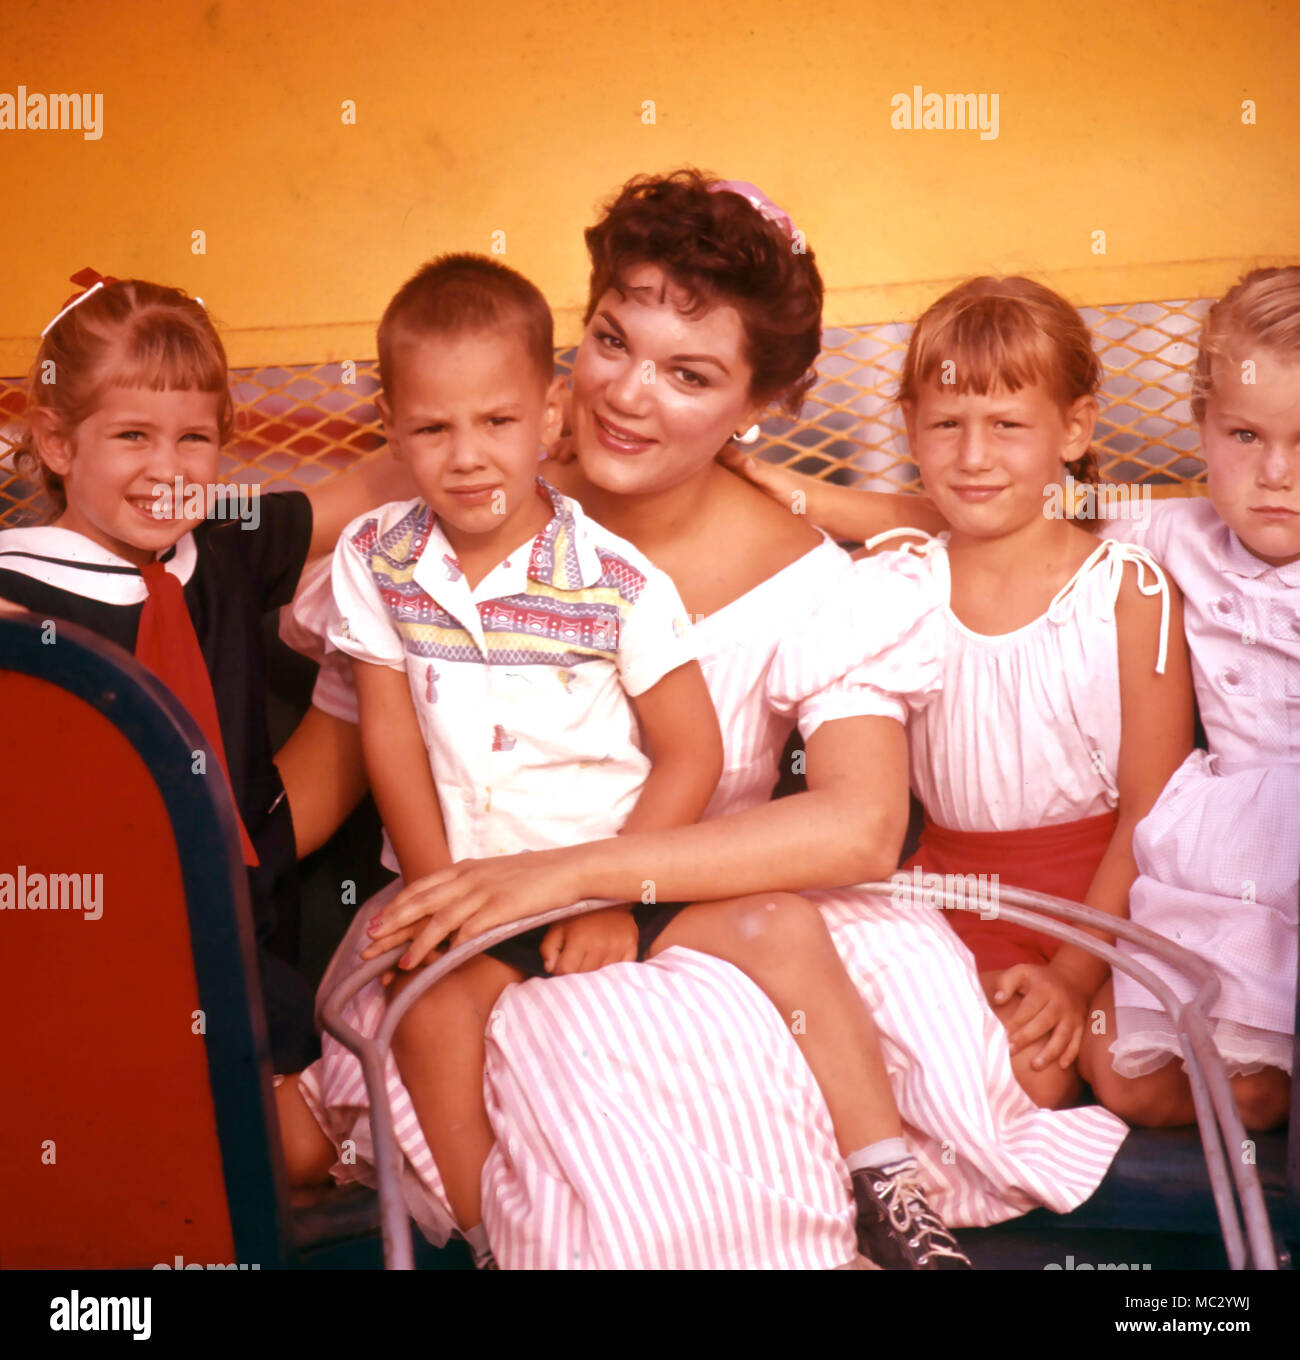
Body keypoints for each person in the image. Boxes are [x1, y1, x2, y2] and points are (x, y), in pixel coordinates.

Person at [293, 172, 1130, 1269]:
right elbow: (316, 767)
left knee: (671, 1107)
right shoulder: (461, 492)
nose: (627, 395)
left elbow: (856, 828)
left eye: (688, 374)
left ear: (757, 407)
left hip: (702, 914)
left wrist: (575, 875)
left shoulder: (813, 583)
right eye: (610, 340)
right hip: (483, 915)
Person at [0, 271, 411, 1070]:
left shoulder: (221, 548)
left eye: (195, 438)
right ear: (56, 442)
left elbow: (369, 485)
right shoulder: (15, 593)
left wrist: (543, 448)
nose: (169, 468)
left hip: (242, 931)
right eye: (131, 437)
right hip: (82, 941)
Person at [1078, 267, 1300, 1132]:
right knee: (1128, 1076)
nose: (1276, 472)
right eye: (1244, 434)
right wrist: (812, 501)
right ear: (1201, 428)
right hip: (1225, 854)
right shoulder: (1173, 533)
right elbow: (1004, 512)